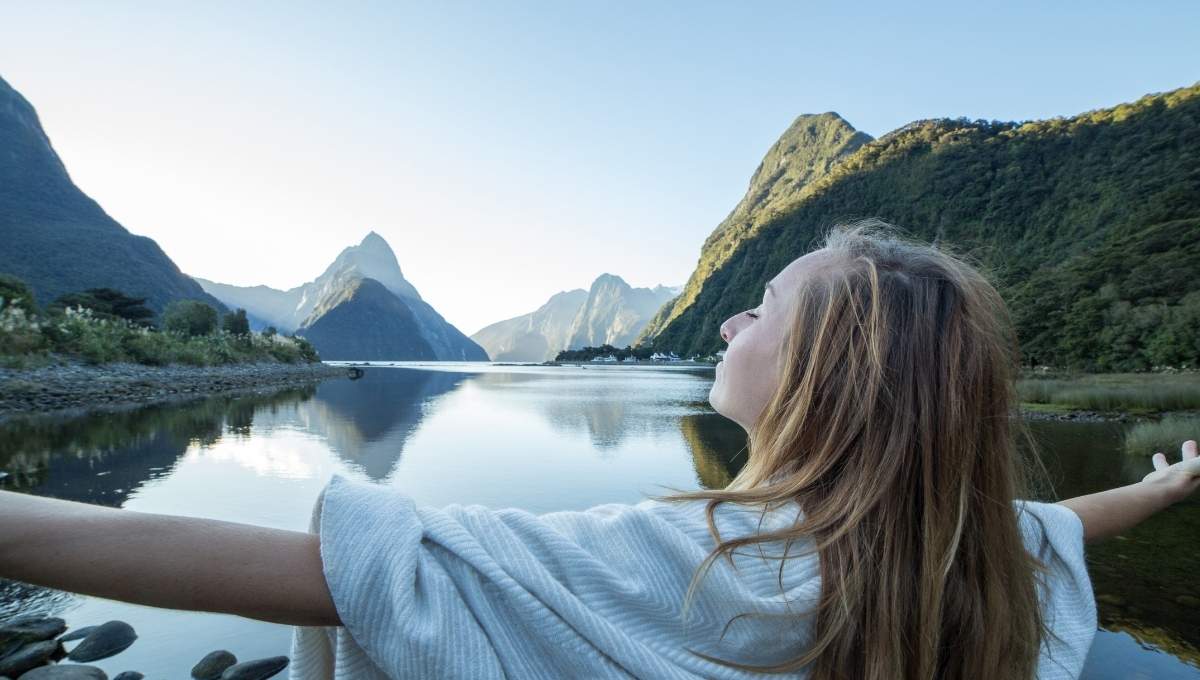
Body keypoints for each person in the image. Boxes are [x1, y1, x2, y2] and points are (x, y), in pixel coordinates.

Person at [1, 220, 1197, 680]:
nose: (730, 319)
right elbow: (1052, 526)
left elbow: (348, 567)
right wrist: (1168, 483)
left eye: (761, 305)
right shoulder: (950, 561)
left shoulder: (693, 556)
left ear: (831, 374)